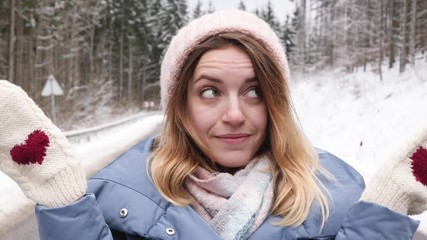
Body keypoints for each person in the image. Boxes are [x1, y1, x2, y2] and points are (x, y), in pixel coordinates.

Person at [0, 10, 426, 240]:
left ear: (276, 102)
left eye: (255, 90)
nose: (235, 113)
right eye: (209, 91)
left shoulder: (341, 198)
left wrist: (383, 218)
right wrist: (63, 204)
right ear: (179, 106)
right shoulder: (114, 204)